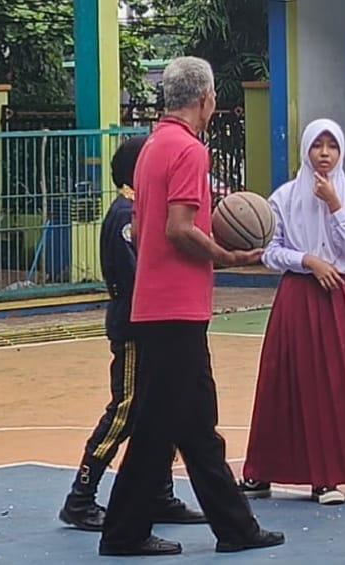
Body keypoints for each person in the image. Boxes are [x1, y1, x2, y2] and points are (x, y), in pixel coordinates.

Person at [99, 57, 284, 557]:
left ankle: (235, 528)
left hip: (157, 303)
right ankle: (124, 533)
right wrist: (228, 255)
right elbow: (179, 229)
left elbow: (146, 231)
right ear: (206, 99)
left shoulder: (152, 148)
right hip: (176, 307)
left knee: (193, 424)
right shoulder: (188, 149)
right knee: (160, 425)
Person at [58, 136, 205, 531]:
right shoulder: (126, 216)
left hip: (152, 326)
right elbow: (135, 276)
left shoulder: (138, 211)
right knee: (126, 409)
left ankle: (158, 493)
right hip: (136, 330)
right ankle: (81, 496)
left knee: (162, 407)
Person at [239, 119, 345, 505]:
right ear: (305, 150)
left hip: (337, 296)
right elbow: (270, 252)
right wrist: (307, 261)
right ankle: (262, 471)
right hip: (297, 295)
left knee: (332, 383)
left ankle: (327, 477)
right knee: (282, 379)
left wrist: (334, 204)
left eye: (332, 146)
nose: (325, 153)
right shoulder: (283, 197)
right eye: (317, 145)